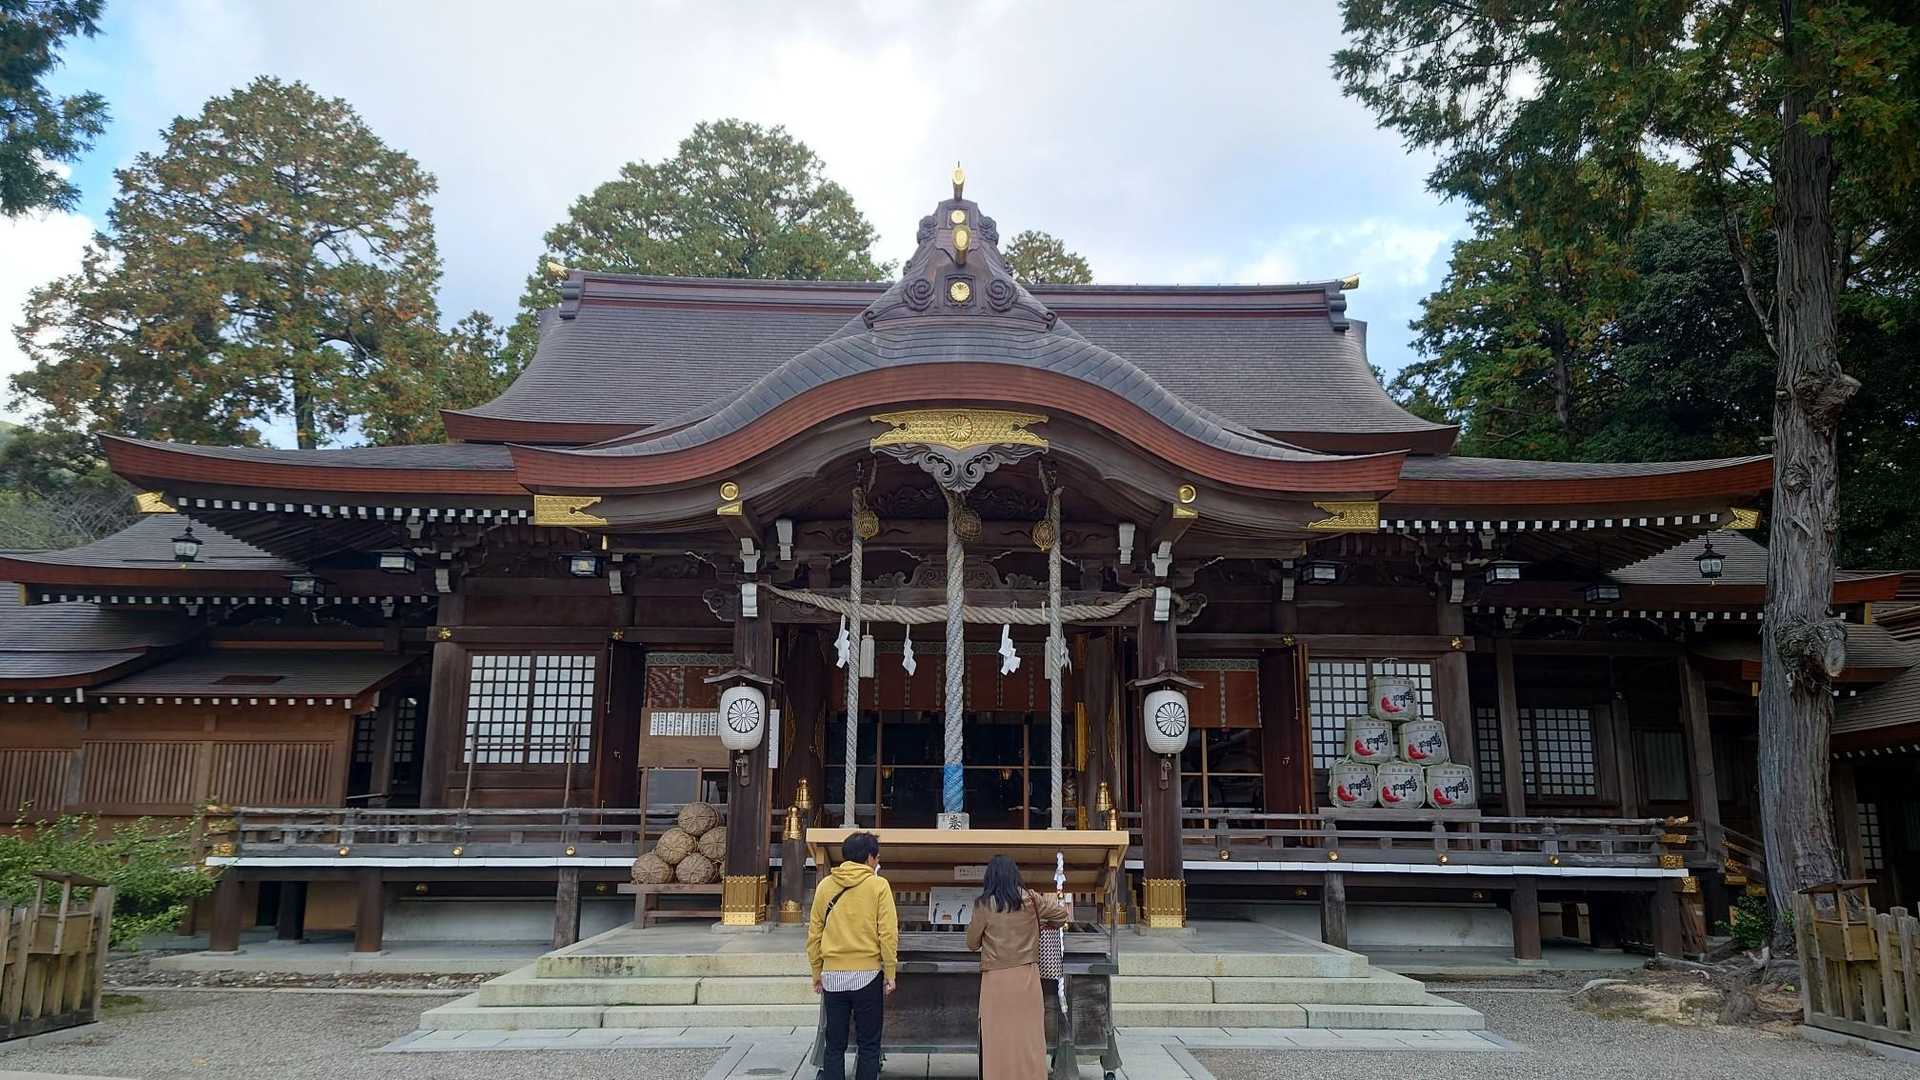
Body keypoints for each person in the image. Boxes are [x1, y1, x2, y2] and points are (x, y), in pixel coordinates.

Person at [965, 855, 1071, 1080]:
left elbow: (972, 943)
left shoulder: (983, 905)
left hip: (995, 981)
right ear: (1015, 876)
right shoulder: (1031, 899)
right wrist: (1042, 923)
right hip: (1026, 979)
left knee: (998, 1040)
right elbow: (1062, 915)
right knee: (1028, 1039)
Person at [806, 831, 897, 1080]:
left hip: (833, 975)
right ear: (869, 858)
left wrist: (816, 971)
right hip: (867, 974)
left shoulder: (826, 885)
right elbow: (888, 934)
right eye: (877, 857)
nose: (877, 862)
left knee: (834, 1044)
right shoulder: (878, 885)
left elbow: (814, 934)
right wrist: (890, 972)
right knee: (869, 1044)